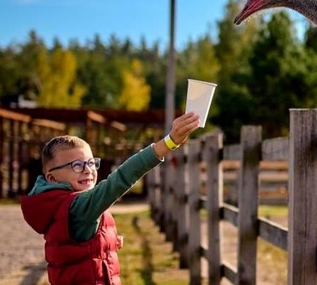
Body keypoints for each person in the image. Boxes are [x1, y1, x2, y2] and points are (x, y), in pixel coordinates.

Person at [21, 112, 200, 285]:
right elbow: (121, 178)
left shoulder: (57, 205)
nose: (87, 170)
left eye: (91, 163)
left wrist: (106, 242)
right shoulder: (78, 206)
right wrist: (169, 142)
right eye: (76, 165)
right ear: (52, 178)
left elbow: (76, 246)